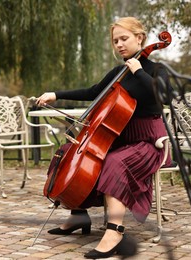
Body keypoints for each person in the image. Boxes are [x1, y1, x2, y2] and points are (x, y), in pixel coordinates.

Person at [36, 17, 170, 259]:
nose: (119, 44)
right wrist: (55, 94)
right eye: (115, 40)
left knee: (114, 162)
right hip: (121, 138)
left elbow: (166, 95)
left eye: (124, 39)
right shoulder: (118, 72)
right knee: (69, 152)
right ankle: (78, 215)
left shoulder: (155, 70)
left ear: (139, 38)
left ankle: (115, 232)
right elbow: (93, 91)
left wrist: (139, 72)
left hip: (148, 142)